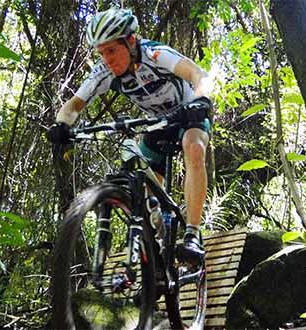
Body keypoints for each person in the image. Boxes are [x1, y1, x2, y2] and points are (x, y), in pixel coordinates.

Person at [47, 8, 213, 264]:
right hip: (156, 125)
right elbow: (72, 107)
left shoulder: (155, 54)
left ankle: (192, 233)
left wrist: (200, 100)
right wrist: (61, 125)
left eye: (112, 50)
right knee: (141, 181)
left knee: (193, 147)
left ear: (131, 41)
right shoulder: (103, 72)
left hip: (187, 115)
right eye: (101, 53)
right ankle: (154, 247)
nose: (107, 60)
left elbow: (197, 74)